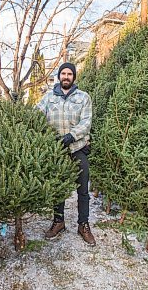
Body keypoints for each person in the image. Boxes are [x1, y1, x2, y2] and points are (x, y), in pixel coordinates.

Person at [36, 62, 96, 246]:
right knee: (58, 188)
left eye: (70, 74)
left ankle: (83, 224)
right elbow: (35, 115)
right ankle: (58, 221)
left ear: (74, 77)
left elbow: (87, 122)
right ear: (59, 76)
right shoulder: (48, 98)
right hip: (57, 150)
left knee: (83, 189)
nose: (66, 77)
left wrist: (72, 136)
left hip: (77, 148)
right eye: (63, 73)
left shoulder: (83, 97)